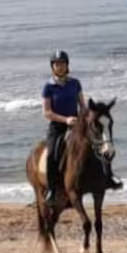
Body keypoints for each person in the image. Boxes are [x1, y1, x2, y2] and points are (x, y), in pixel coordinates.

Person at [41, 51, 87, 193]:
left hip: (76, 125)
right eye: (56, 64)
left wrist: (82, 117)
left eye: (62, 63)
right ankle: (52, 189)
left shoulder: (75, 83)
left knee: (98, 145)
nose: (60, 67)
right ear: (52, 67)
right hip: (58, 126)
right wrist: (66, 120)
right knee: (51, 154)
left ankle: (105, 177)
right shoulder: (48, 87)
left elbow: (83, 105)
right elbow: (47, 112)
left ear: (67, 65)